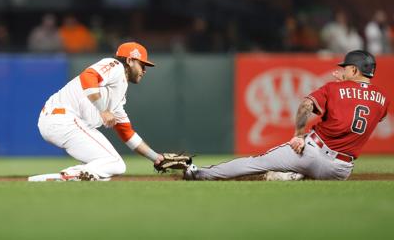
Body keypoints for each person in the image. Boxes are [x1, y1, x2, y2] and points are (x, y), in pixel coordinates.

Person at [185, 50, 390, 181]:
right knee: (307, 174)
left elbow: (305, 106)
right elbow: (360, 109)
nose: (341, 71)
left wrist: (299, 135)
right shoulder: (383, 99)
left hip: (311, 152)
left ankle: (200, 173)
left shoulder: (334, 88)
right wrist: (345, 85)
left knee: (254, 162)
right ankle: (293, 176)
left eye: (345, 68)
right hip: (340, 170)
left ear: (354, 69)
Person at [29, 42, 164, 181]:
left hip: (62, 122)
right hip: (63, 119)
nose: (144, 70)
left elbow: (127, 133)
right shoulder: (115, 66)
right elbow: (88, 76)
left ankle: (55, 182)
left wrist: (156, 158)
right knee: (116, 164)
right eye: (142, 65)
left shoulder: (118, 94)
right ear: (129, 60)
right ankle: (68, 175)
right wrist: (103, 110)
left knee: (102, 173)